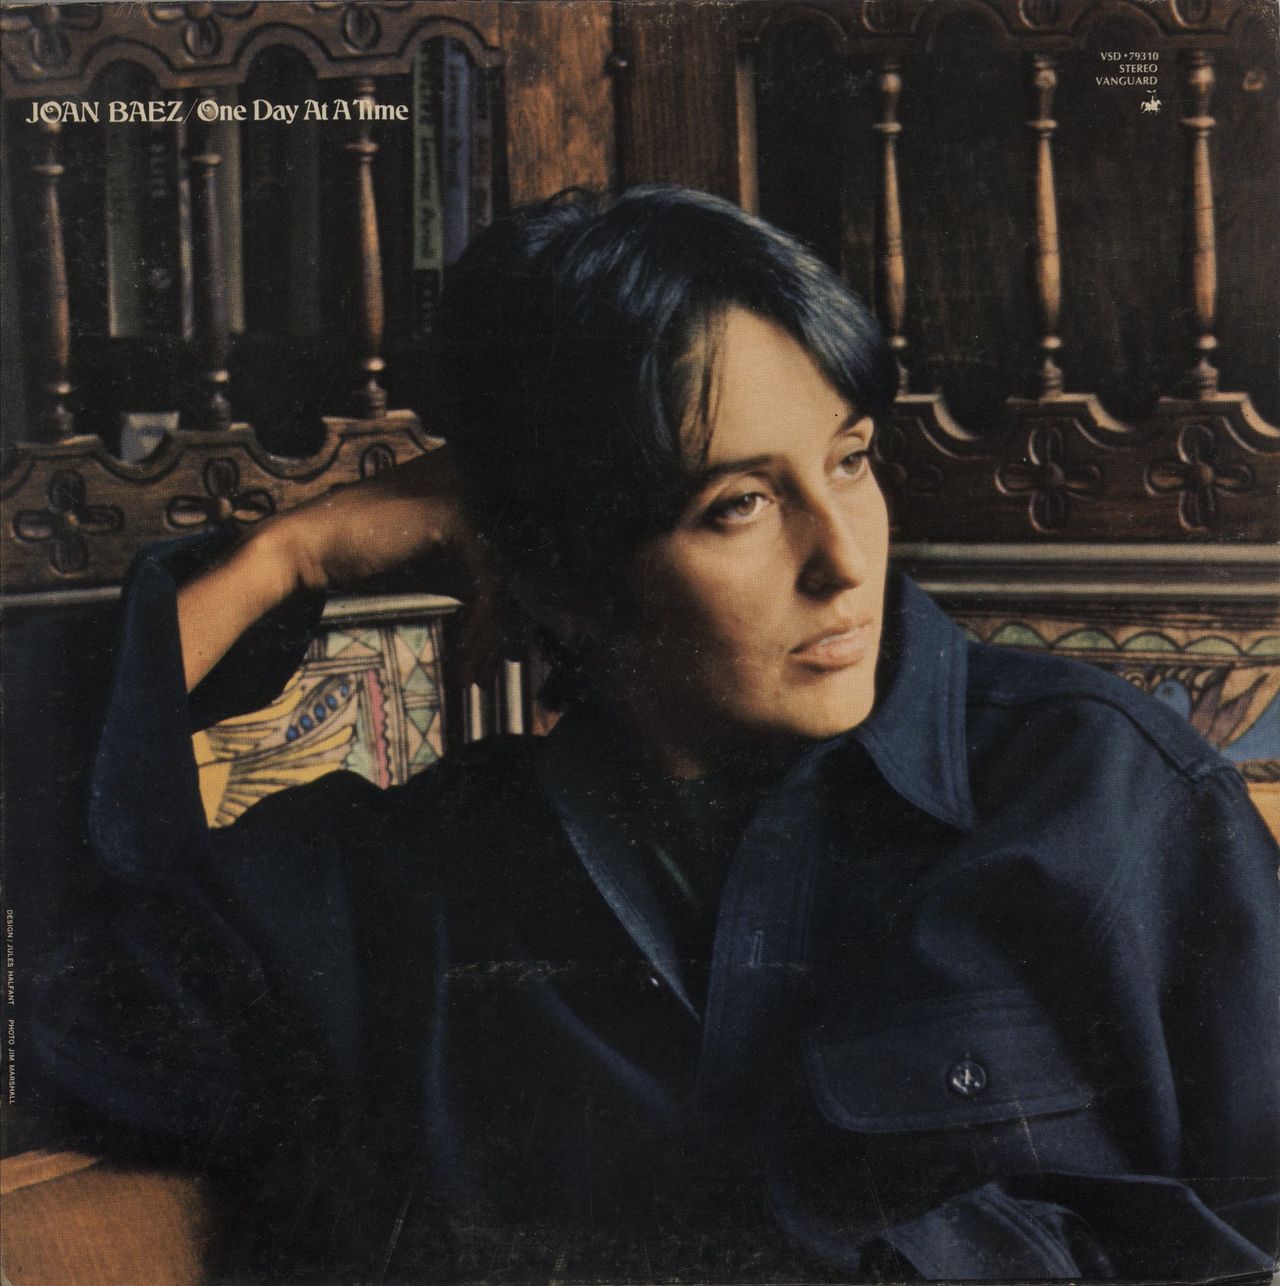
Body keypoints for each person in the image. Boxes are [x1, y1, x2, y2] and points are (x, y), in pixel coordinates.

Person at [26, 186, 1279, 1282]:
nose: (844, 561)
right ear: (564, 574)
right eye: (738, 504)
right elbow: (54, 1008)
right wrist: (280, 558)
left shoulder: (1100, 793)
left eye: (848, 460)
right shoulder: (410, 878)